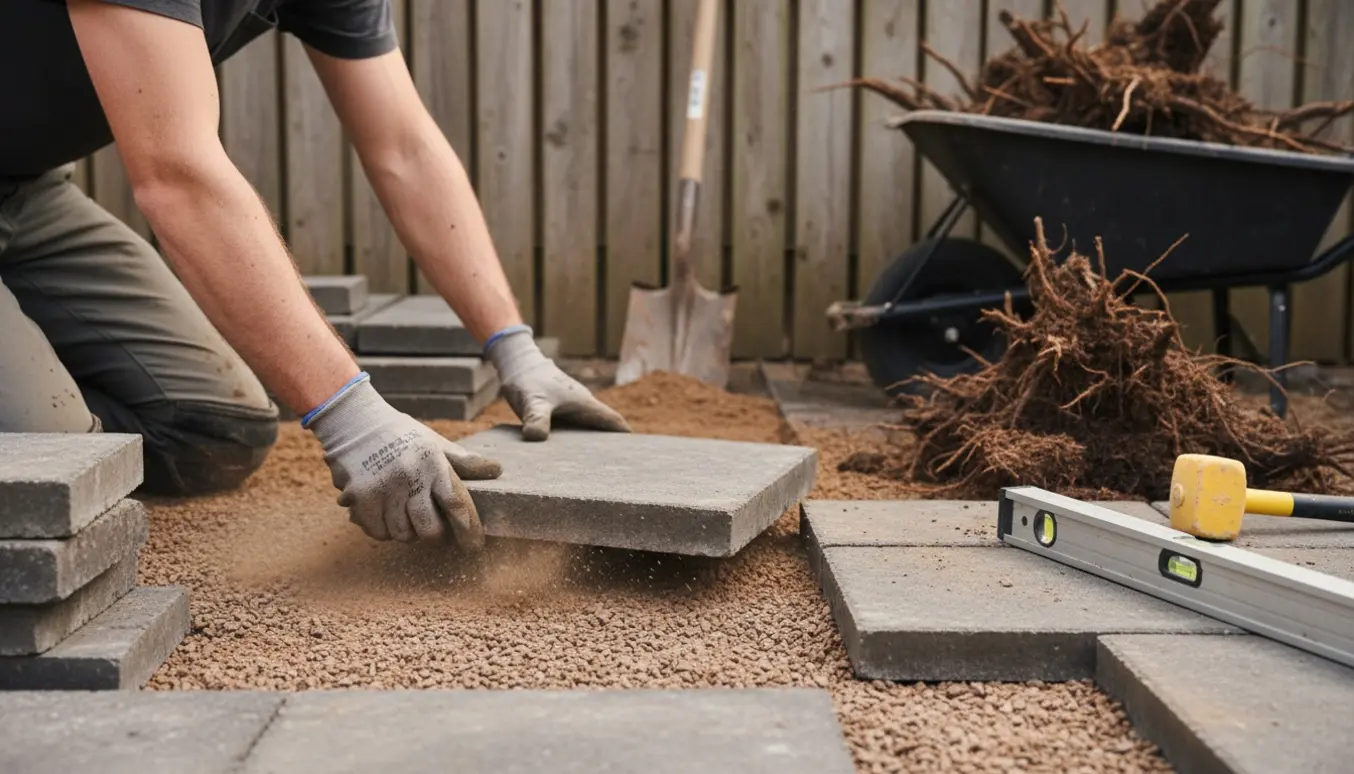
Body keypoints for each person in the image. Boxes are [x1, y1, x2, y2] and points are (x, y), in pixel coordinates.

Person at [0, 0, 632, 549]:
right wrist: (352, 417)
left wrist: (514, 349)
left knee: (214, 429)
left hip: (26, 194)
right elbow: (176, 178)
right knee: (48, 477)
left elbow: (404, 149)